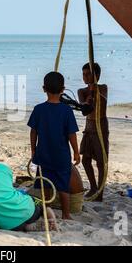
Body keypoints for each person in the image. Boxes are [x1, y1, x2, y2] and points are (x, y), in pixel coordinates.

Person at [28, 72, 80, 220]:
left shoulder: (39, 109)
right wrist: (76, 152)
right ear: (63, 89)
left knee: (45, 185)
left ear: (44, 88)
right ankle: (66, 214)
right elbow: (71, 134)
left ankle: (47, 211)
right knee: (63, 186)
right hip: (62, 156)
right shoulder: (66, 110)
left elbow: (33, 132)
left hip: (43, 154)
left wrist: (33, 149)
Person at [78, 63, 109, 202]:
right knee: (85, 159)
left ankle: (100, 191)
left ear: (96, 75)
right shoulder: (82, 91)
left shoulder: (102, 88)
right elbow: (84, 111)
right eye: (83, 74)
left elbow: (102, 97)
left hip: (100, 125)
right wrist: (88, 99)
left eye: (88, 74)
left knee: (101, 161)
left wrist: (94, 90)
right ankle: (93, 187)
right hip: (89, 126)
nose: (85, 77)